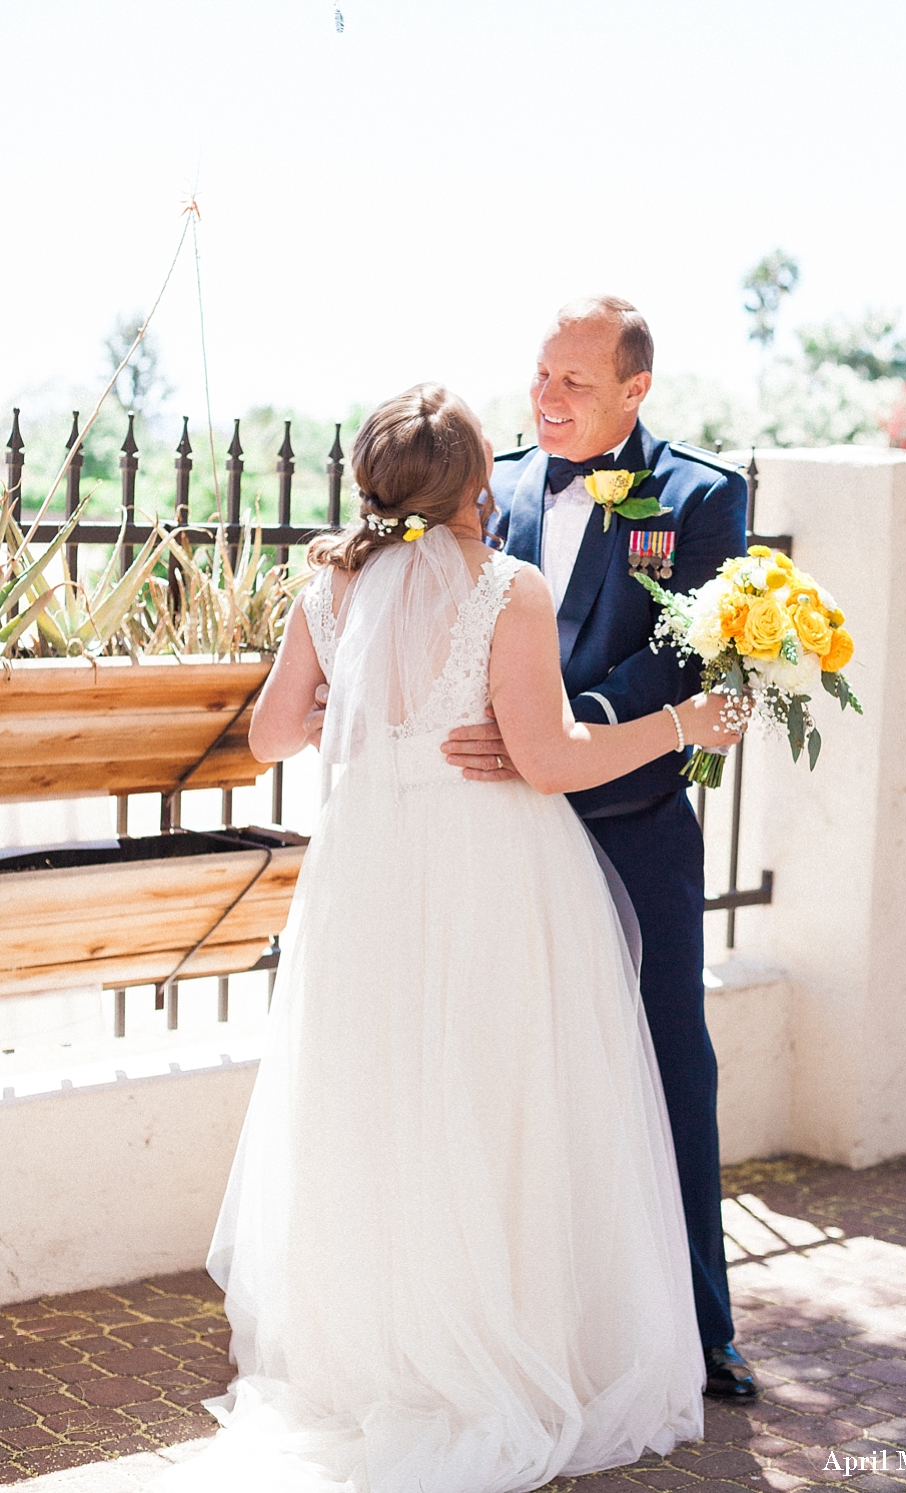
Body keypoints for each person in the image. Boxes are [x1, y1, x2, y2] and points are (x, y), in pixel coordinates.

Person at [159, 384, 745, 1493]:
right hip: (484, 871)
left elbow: (271, 731)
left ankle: (382, 1351)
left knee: (377, 1103)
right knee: (492, 1100)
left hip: (367, 875)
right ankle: (494, 1341)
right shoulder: (504, 587)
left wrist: (365, 715)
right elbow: (553, 758)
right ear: (481, 483)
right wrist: (686, 721)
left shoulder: (327, 581)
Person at [441, 296, 757, 1399]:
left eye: (574, 382)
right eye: (539, 377)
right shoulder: (498, 485)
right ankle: (540, 1325)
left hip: (632, 822)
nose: (548, 400)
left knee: (669, 1061)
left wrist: (561, 718)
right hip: (504, 830)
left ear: (635, 389)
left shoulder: (703, 495)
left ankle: (700, 1325)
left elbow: (687, 648)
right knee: (515, 1070)